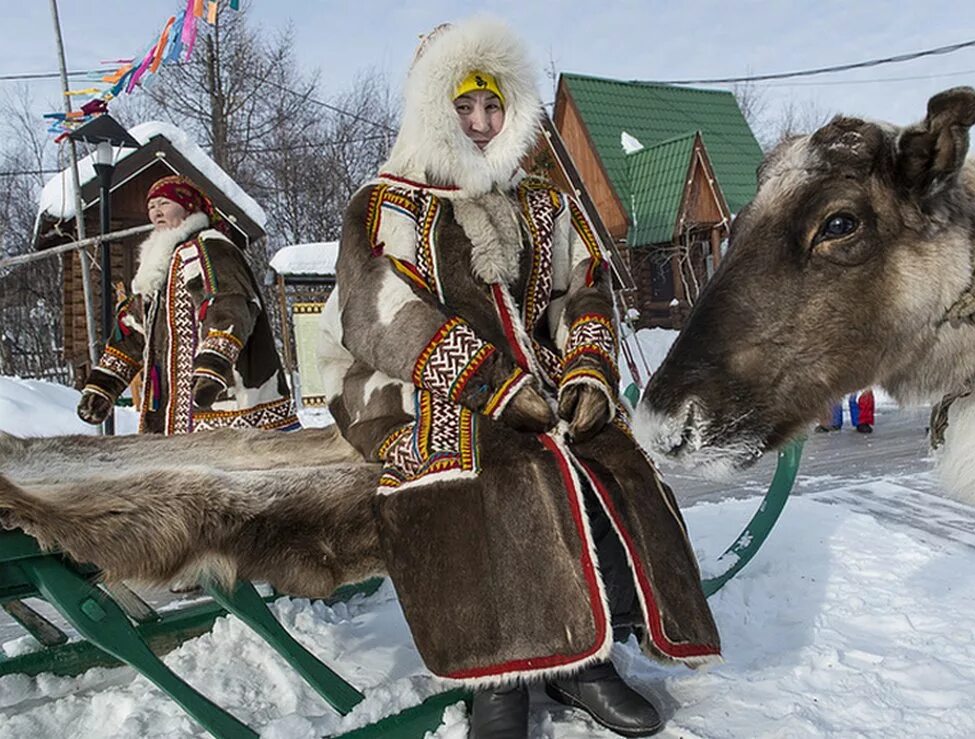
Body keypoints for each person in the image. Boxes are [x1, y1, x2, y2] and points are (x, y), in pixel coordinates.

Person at [316, 18, 720, 739]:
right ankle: (501, 677)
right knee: (493, 472)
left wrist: (589, 370)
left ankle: (583, 657)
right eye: (463, 105)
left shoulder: (540, 200)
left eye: (492, 105)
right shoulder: (389, 204)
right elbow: (375, 314)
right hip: (415, 385)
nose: (478, 121)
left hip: (535, 379)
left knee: (609, 455)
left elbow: (581, 289)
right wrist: (486, 382)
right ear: (431, 107)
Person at [77, 175, 299, 434]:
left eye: (164, 203)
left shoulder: (210, 248)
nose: (156, 212)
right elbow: (134, 331)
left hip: (221, 397)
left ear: (188, 206)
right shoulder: (157, 265)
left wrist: (213, 366)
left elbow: (230, 307)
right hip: (171, 405)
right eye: (151, 206)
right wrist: (104, 385)